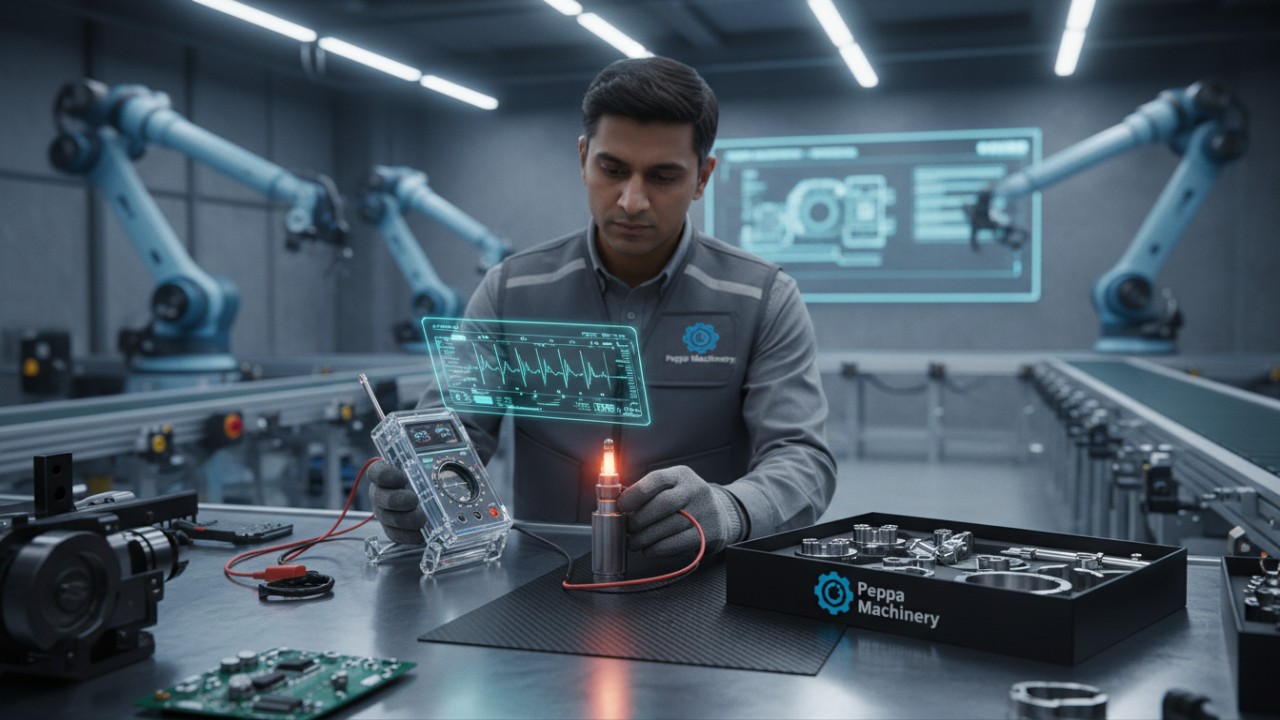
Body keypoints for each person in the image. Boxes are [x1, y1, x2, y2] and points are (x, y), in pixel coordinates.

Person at [368, 56, 836, 558]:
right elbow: (453, 430)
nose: (632, 201)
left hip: (703, 582)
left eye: (662, 177)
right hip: (539, 583)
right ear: (583, 157)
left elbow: (802, 457)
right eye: (612, 169)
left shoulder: (762, 298)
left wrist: (731, 509)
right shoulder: (511, 292)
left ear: (702, 177)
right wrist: (419, 489)